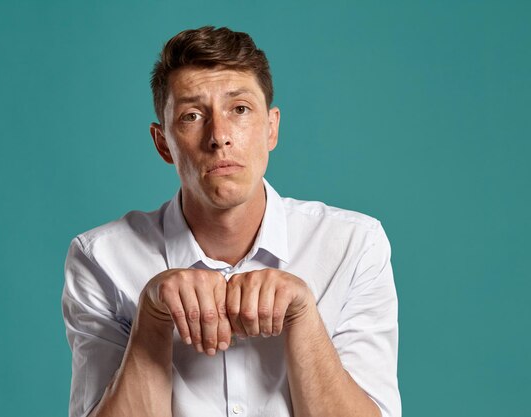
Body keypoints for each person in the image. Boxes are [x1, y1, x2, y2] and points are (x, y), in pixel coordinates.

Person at [62, 26, 400, 417]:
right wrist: (152, 320)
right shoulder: (100, 258)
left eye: (239, 109)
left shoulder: (354, 245)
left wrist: (305, 317)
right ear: (163, 143)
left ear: (271, 127)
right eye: (192, 115)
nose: (219, 136)